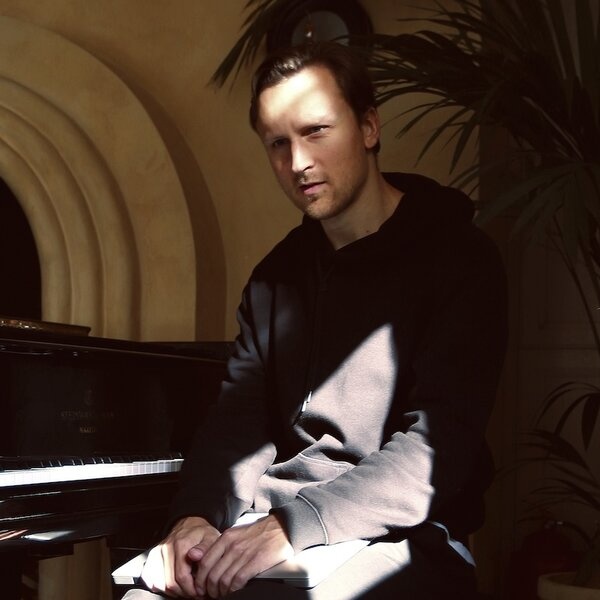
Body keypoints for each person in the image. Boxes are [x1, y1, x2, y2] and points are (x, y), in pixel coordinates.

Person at [122, 41, 507, 600]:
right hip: (272, 525)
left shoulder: (460, 258)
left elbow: (433, 452)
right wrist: (196, 517)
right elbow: (237, 425)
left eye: (316, 131)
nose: (297, 161)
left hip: (407, 532)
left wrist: (291, 527)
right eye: (278, 143)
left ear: (369, 127)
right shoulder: (275, 277)